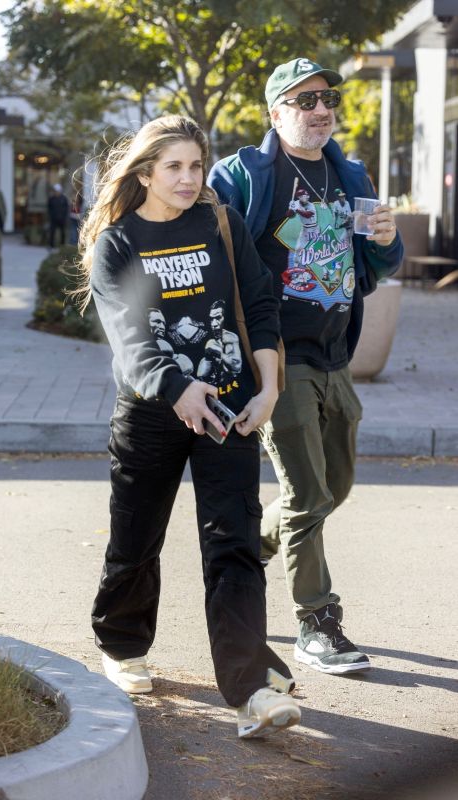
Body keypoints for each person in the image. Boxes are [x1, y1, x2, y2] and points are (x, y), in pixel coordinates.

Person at [76, 114, 301, 738]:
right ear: (144, 172)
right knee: (136, 539)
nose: (187, 178)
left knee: (233, 544)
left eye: (196, 166)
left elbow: (258, 300)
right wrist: (178, 388)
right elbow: (128, 337)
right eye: (173, 166)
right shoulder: (117, 242)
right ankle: (122, 646)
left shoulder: (218, 223)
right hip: (152, 414)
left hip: (227, 408)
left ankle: (249, 688)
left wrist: (269, 387)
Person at [208, 57, 403, 676]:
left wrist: (386, 239)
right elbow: (216, 254)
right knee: (308, 491)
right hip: (279, 358)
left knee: (334, 485)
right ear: (275, 112)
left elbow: (380, 264)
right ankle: (317, 622)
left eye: (327, 98)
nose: (321, 109)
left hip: (333, 352)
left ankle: (249, 552)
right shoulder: (246, 175)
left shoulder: (349, 174)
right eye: (304, 100)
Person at [48, 183, 69, 248]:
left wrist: (64, 216)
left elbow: (66, 208)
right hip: (54, 218)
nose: (56, 192)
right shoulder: (52, 199)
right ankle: (51, 245)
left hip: (62, 218)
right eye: (55, 191)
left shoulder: (64, 199)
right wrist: (51, 215)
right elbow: (49, 208)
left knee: (62, 232)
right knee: (52, 232)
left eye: (57, 191)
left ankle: (62, 245)